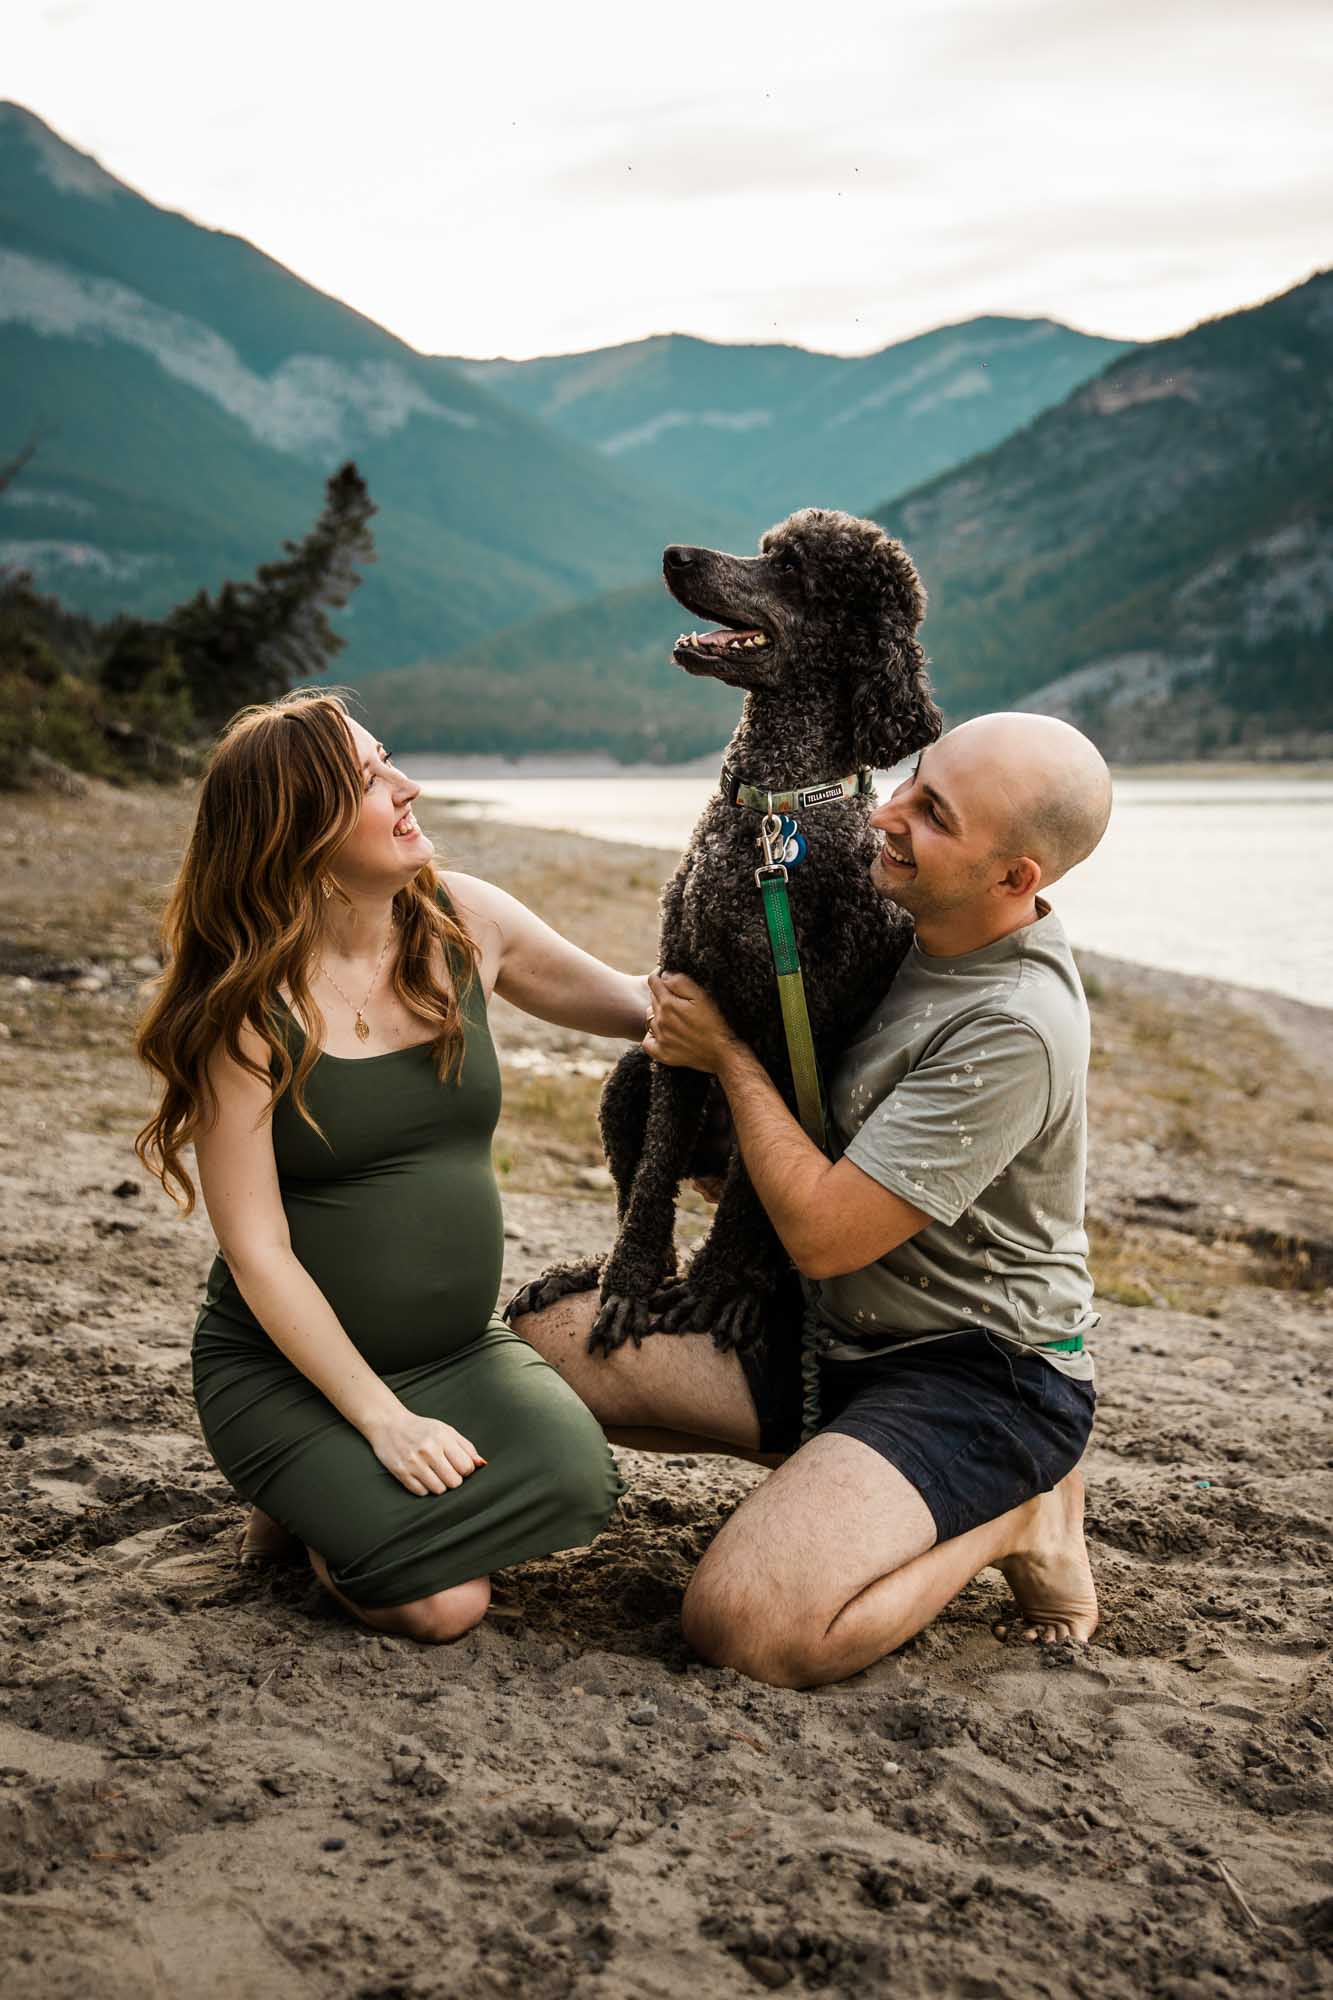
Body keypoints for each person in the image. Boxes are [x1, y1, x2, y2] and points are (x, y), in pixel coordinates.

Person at [514, 712, 1113, 1687]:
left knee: (746, 1623)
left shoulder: (1014, 1022)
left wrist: (727, 1057)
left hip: (971, 1368)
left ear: (1016, 878)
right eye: (912, 781)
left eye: (936, 815)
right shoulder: (905, 922)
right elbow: (770, 876)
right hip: (824, 1332)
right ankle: (848, 1482)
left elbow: (828, 1233)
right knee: (541, 1347)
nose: (890, 814)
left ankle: (1021, 1515)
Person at [136, 690, 648, 1642]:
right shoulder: (245, 1014)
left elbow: (640, 1006)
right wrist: (380, 1421)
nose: (408, 787)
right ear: (302, 826)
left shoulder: (464, 924)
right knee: (443, 1606)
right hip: (285, 1373)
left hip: (454, 1356)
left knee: (583, 1482)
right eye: (372, 780)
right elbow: (257, 1254)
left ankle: (344, 1500)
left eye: (388, 760)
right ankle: (315, 1499)